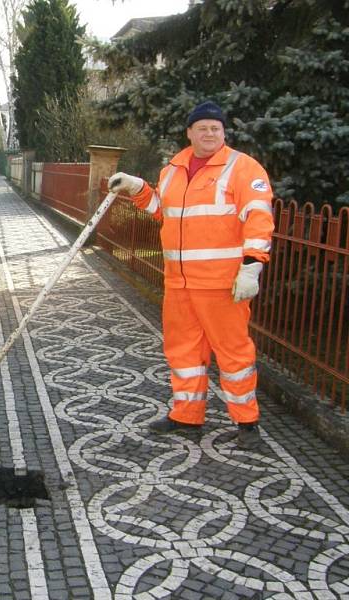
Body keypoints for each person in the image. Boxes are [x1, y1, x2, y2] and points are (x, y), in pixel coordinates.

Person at [108, 100, 274, 449]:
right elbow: (163, 212)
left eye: (216, 128)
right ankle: (187, 416)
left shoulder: (243, 168)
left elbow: (259, 218)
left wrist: (252, 265)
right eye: (203, 128)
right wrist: (138, 188)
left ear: (224, 132)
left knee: (233, 355)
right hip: (179, 284)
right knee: (182, 353)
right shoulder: (173, 169)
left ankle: (247, 424)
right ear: (190, 132)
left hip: (222, 285)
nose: (210, 133)